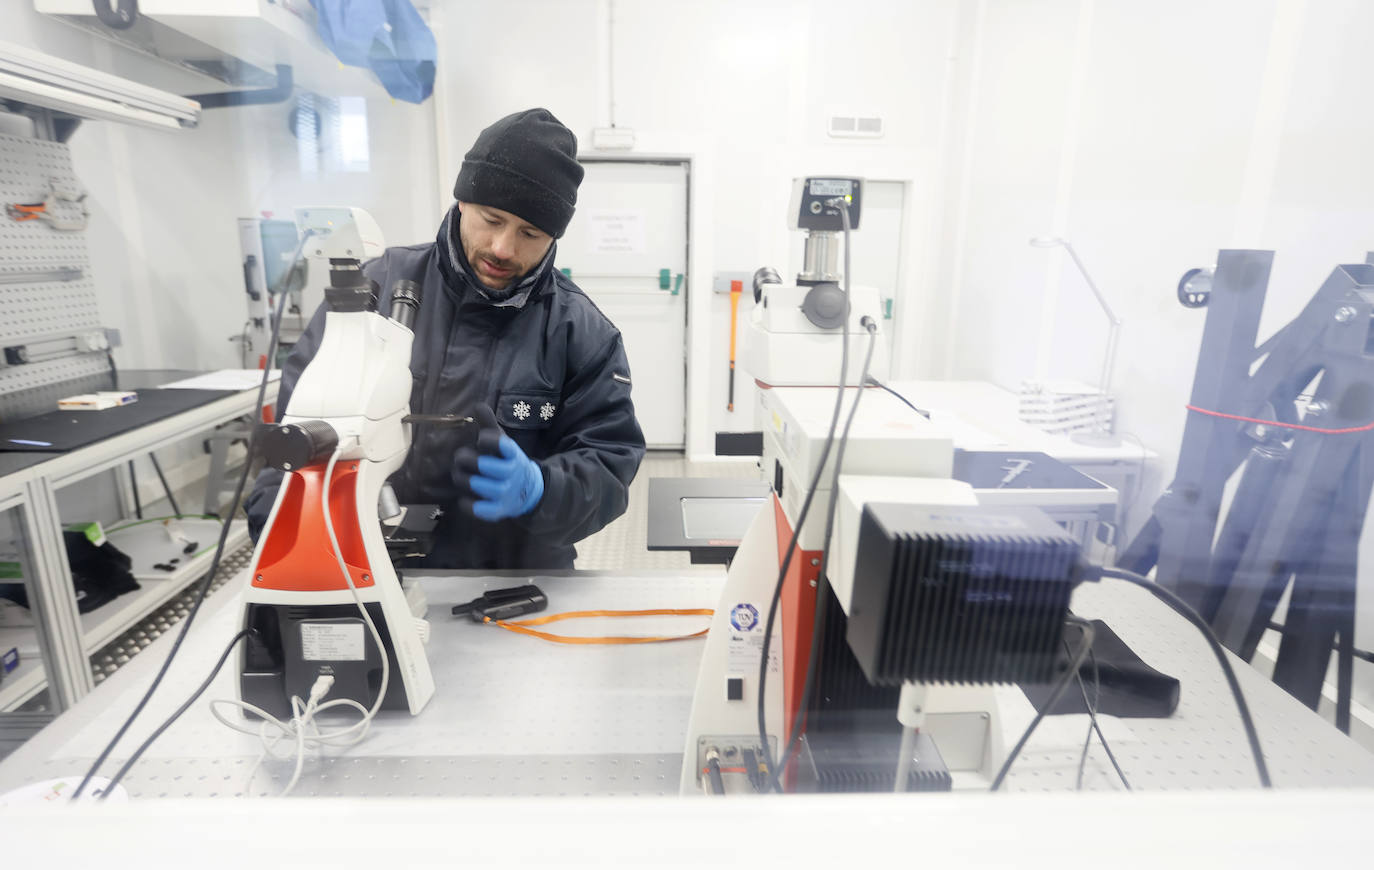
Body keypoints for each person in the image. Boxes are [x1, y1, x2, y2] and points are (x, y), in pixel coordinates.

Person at [245, 108, 645, 569]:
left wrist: (541, 488)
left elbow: (610, 465)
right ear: (461, 203)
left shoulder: (583, 332)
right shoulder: (371, 292)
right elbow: (299, 428)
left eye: (529, 233)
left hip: (515, 577)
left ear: (553, 238)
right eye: (492, 220)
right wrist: (279, 528)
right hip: (372, 564)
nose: (503, 248)